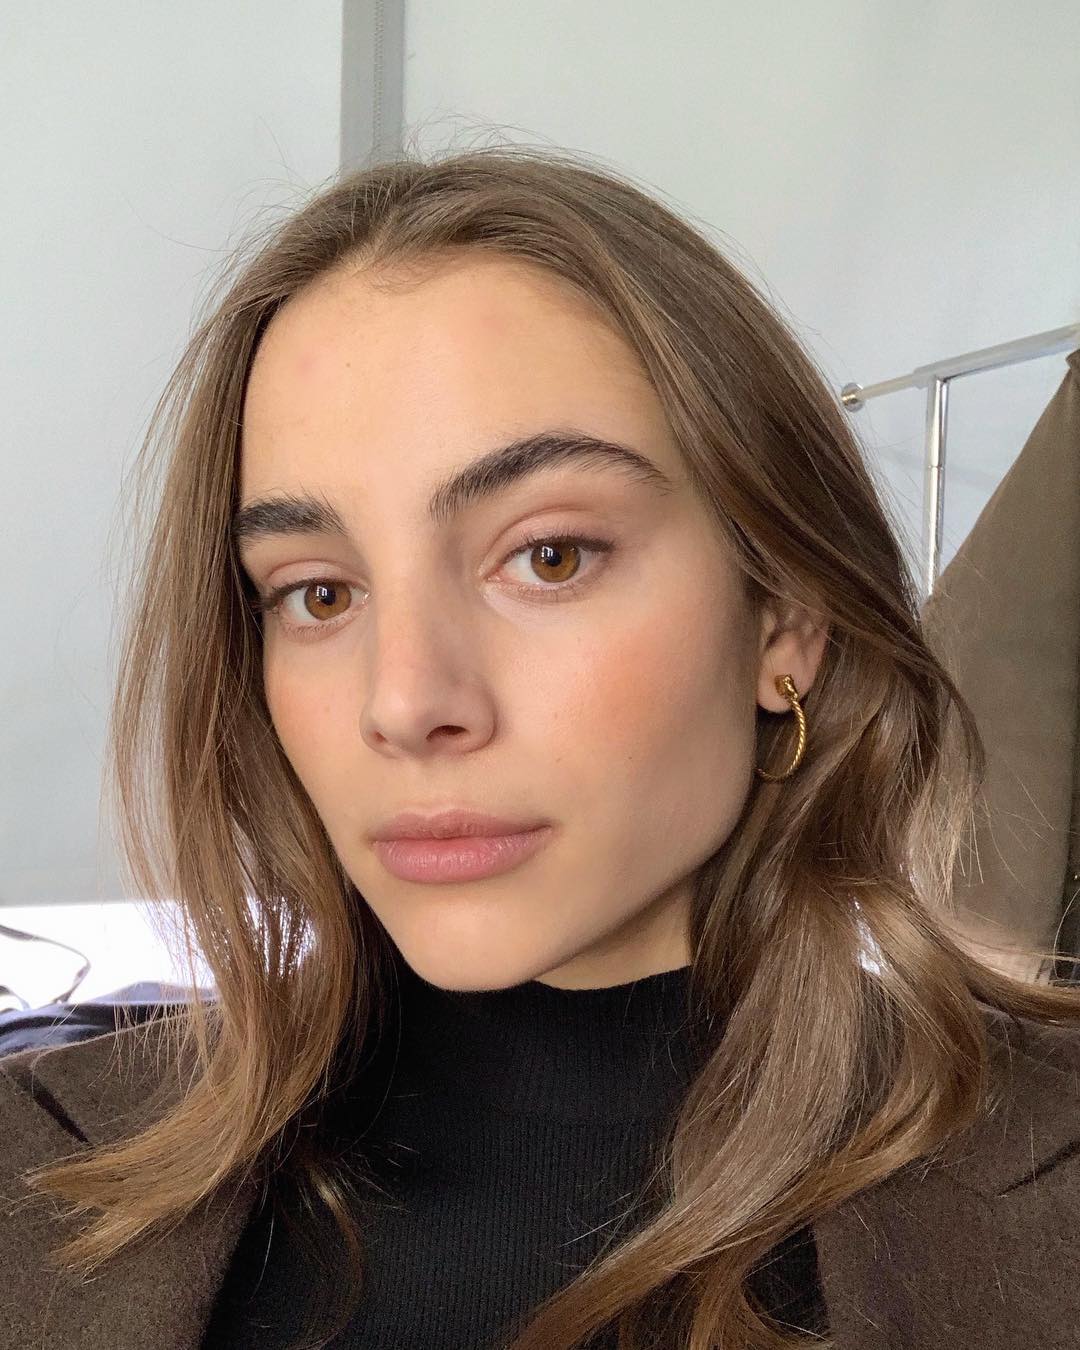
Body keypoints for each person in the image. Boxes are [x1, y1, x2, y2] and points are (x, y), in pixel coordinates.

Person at [2, 144, 1079, 1350]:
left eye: (548, 556)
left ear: (784, 617)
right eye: (317, 593)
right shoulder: (26, 1170)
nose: (405, 702)